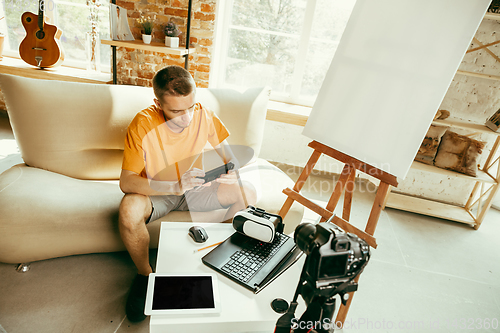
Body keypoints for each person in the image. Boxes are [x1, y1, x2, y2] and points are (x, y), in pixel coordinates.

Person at [119, 65, 257, 322]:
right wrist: (173, 186)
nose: (187, 118)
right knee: (128, 211)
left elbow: (232, 158)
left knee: (246, 192)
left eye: (191, 107)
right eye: (176, 111)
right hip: (159, 191)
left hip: (197, 187)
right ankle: (145, 276)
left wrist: (230, 170)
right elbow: (126, 182)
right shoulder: (143, 123)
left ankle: (219, 261)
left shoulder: (204, 116)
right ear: (158, 103)